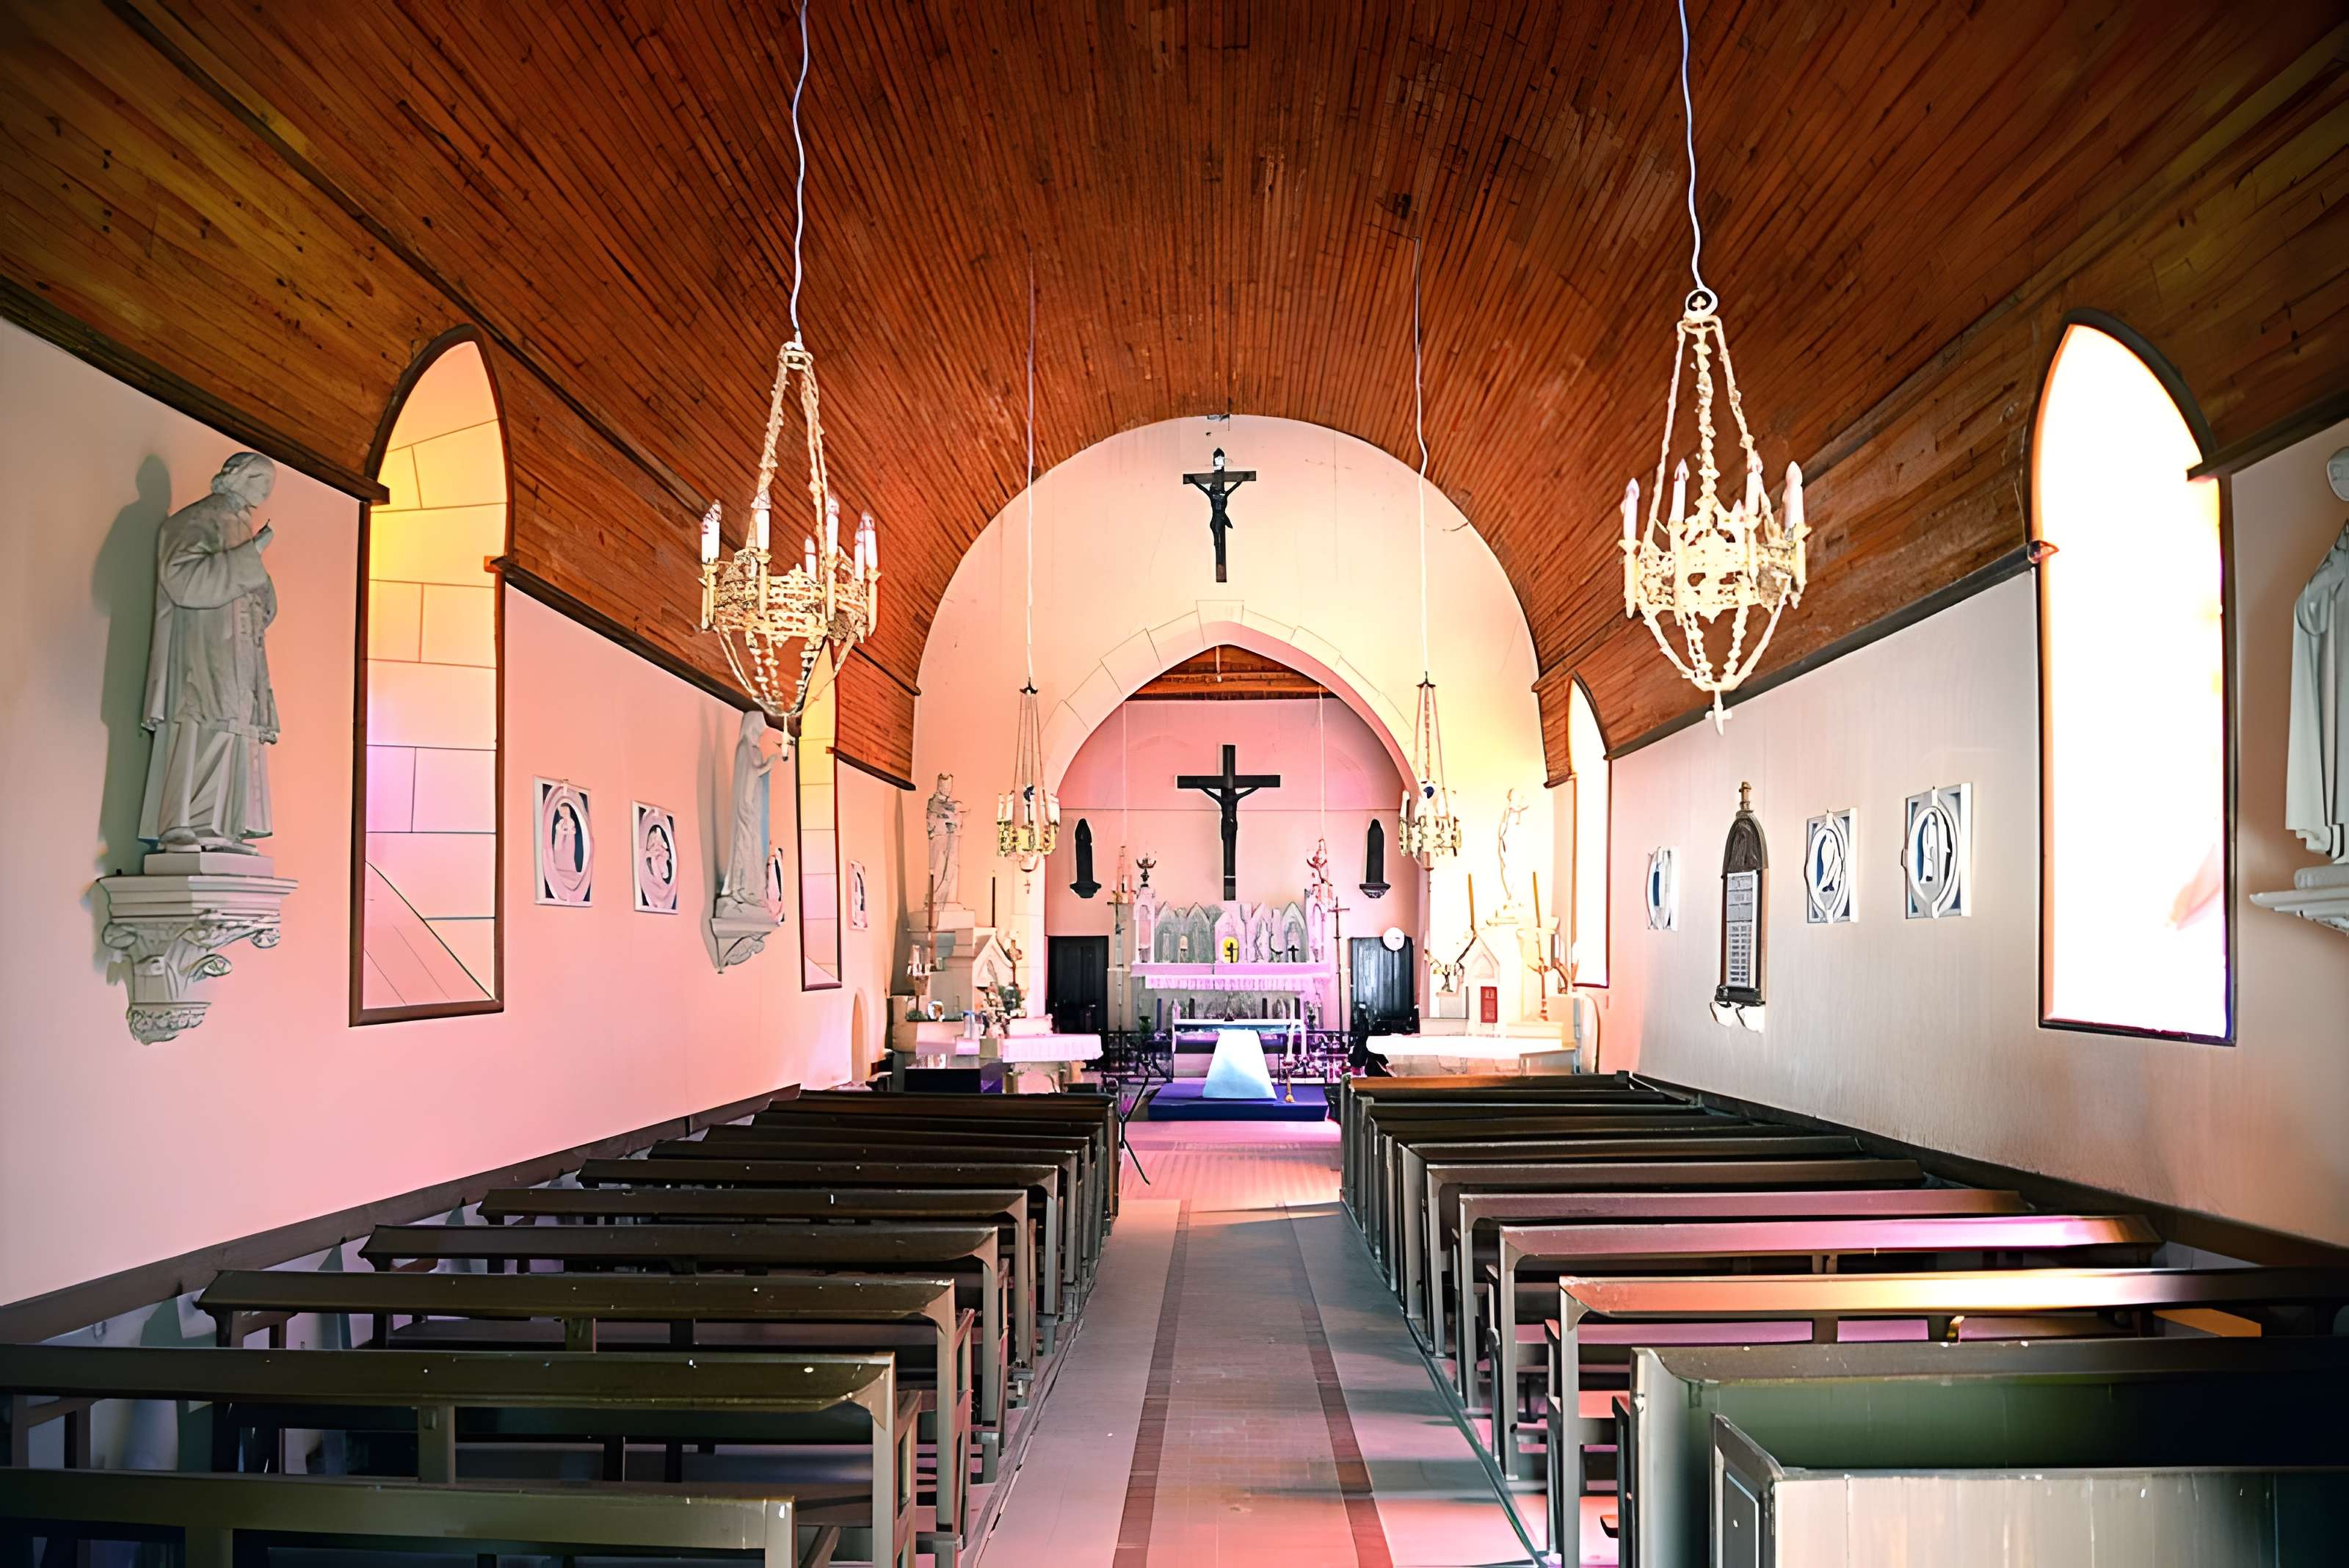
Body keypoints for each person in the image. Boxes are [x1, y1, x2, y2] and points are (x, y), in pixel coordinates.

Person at [139, 452, 280, 854]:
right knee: (197, 721)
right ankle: (181, 823)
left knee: (232, 727)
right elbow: (182, 580)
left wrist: (254, 565)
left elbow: (260, 600)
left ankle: (219, 828)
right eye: (260, 481)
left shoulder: (242, 526)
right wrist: (250, 556)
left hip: (238, 651)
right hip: (201, 646)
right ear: (235, 478)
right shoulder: (193, 520)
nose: (265, 492)